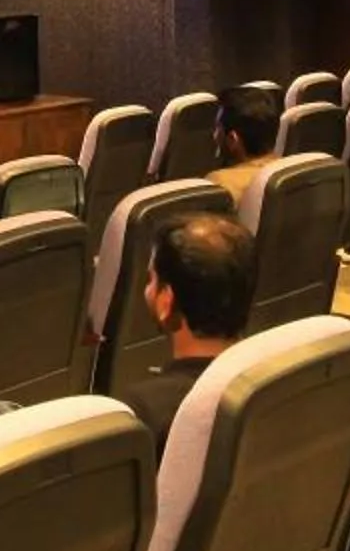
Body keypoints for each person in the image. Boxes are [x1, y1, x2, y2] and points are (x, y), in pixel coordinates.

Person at [117, 212, 256, 455]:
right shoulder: (275, 379)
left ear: (166, 302)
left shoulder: (144, 411)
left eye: (151, 280)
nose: (147, 290)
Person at [207, 84, 280, 206]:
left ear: (233, 140)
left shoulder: (221, 184)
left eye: (218, 129)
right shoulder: (290, 171)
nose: (215, 136)